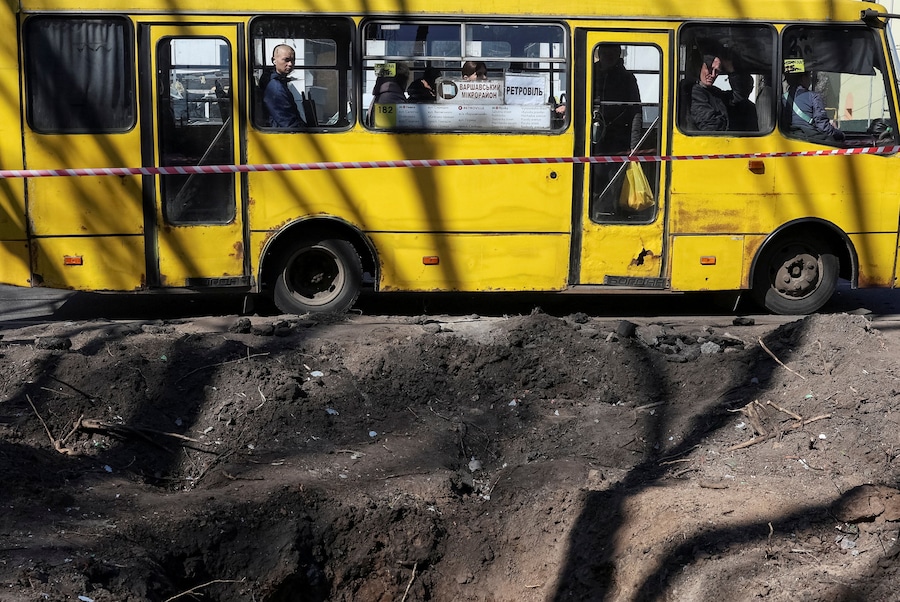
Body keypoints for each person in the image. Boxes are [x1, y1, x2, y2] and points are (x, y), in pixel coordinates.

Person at [782, 60, 844, 144]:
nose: (810, 79)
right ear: (803, 78)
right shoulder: (813, 97)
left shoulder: (783, 98)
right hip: (810, 141)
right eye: (809, 76)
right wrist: (839, 134)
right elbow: (823, 127)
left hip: (789, 141)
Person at [263, 44, 305, 128]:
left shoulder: (279, 82)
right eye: (286, 60)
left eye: (293, 60)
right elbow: (287, 122)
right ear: (274, 60)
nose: (290, 64)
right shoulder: (275, 88)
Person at [690, 54, 733, 131]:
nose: (713, 75)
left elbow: (738, 96)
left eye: (717, 71)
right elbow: (709, 125)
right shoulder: (694, 92)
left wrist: (732, 71)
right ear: (700, 68)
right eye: (709, 69)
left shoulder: (716, 92)